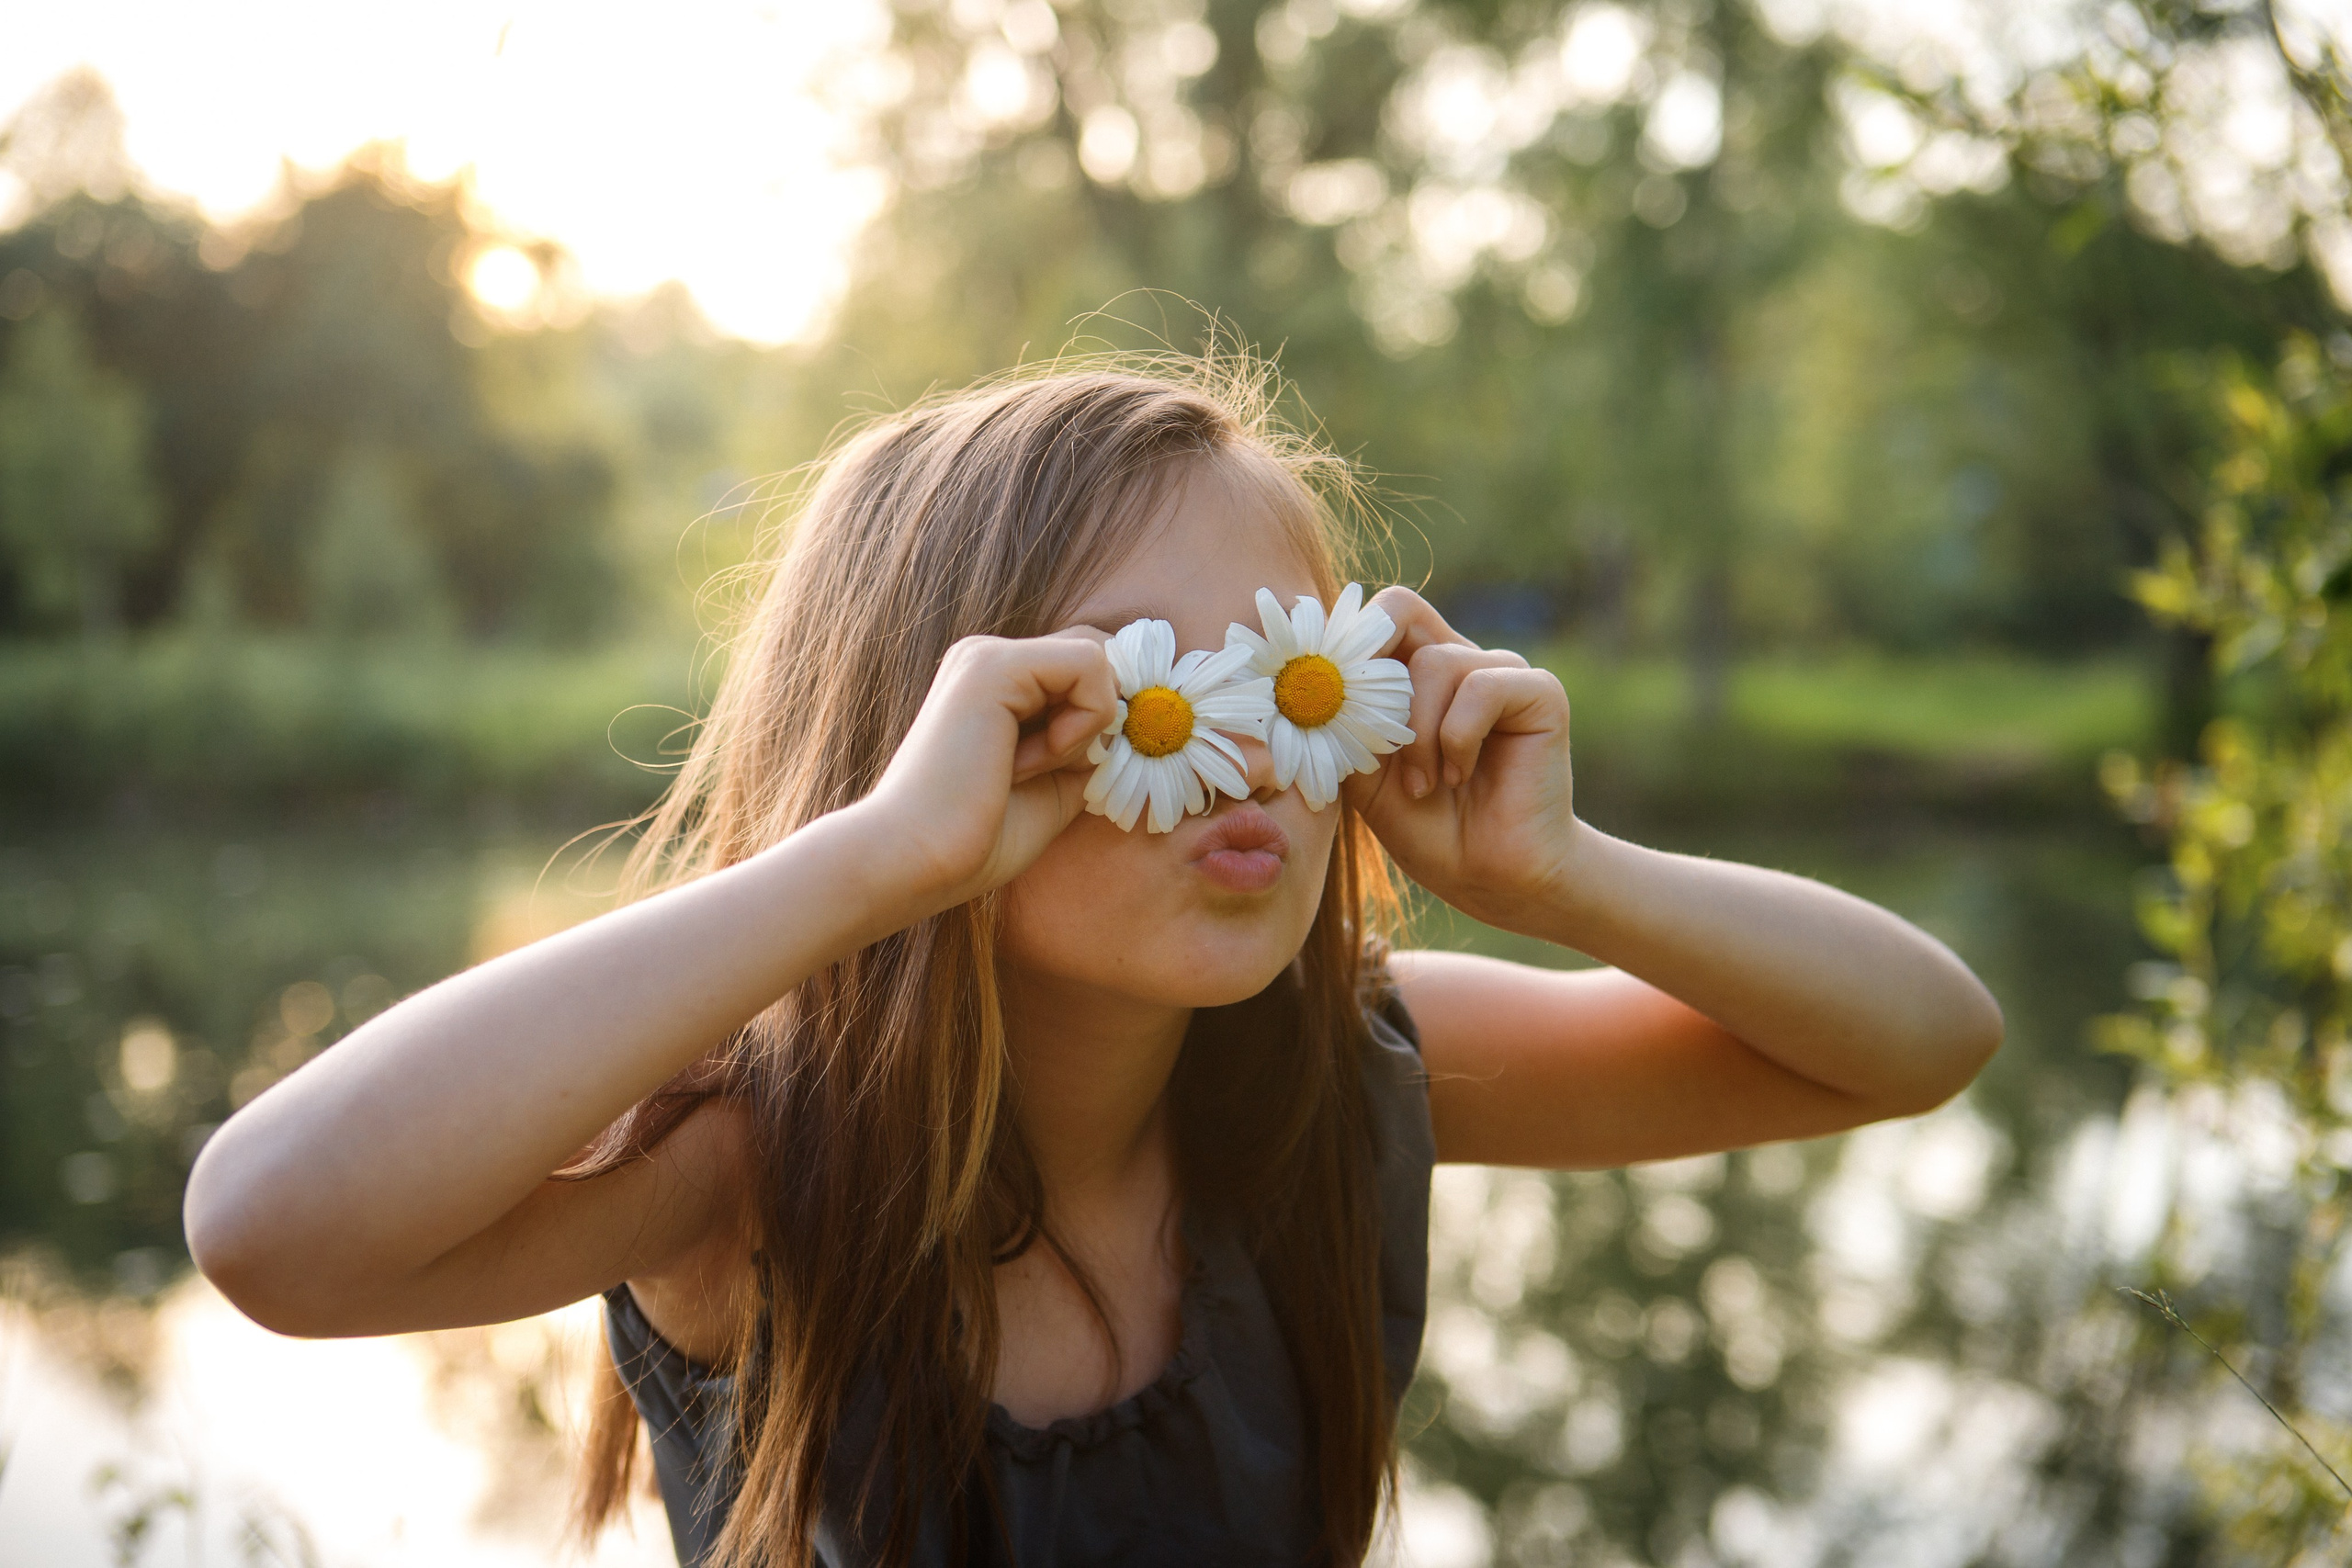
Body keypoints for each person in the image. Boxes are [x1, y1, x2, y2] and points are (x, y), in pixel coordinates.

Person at [182, 356, 2003, 1568]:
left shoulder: (1348, 1072)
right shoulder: (752, 1175)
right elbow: (271, 1222)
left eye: (1291, 680)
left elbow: (1918, 1038)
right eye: (1134, 693)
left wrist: (1563, 870)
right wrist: (870, 864)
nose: (1242, 755)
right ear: (941, 744)